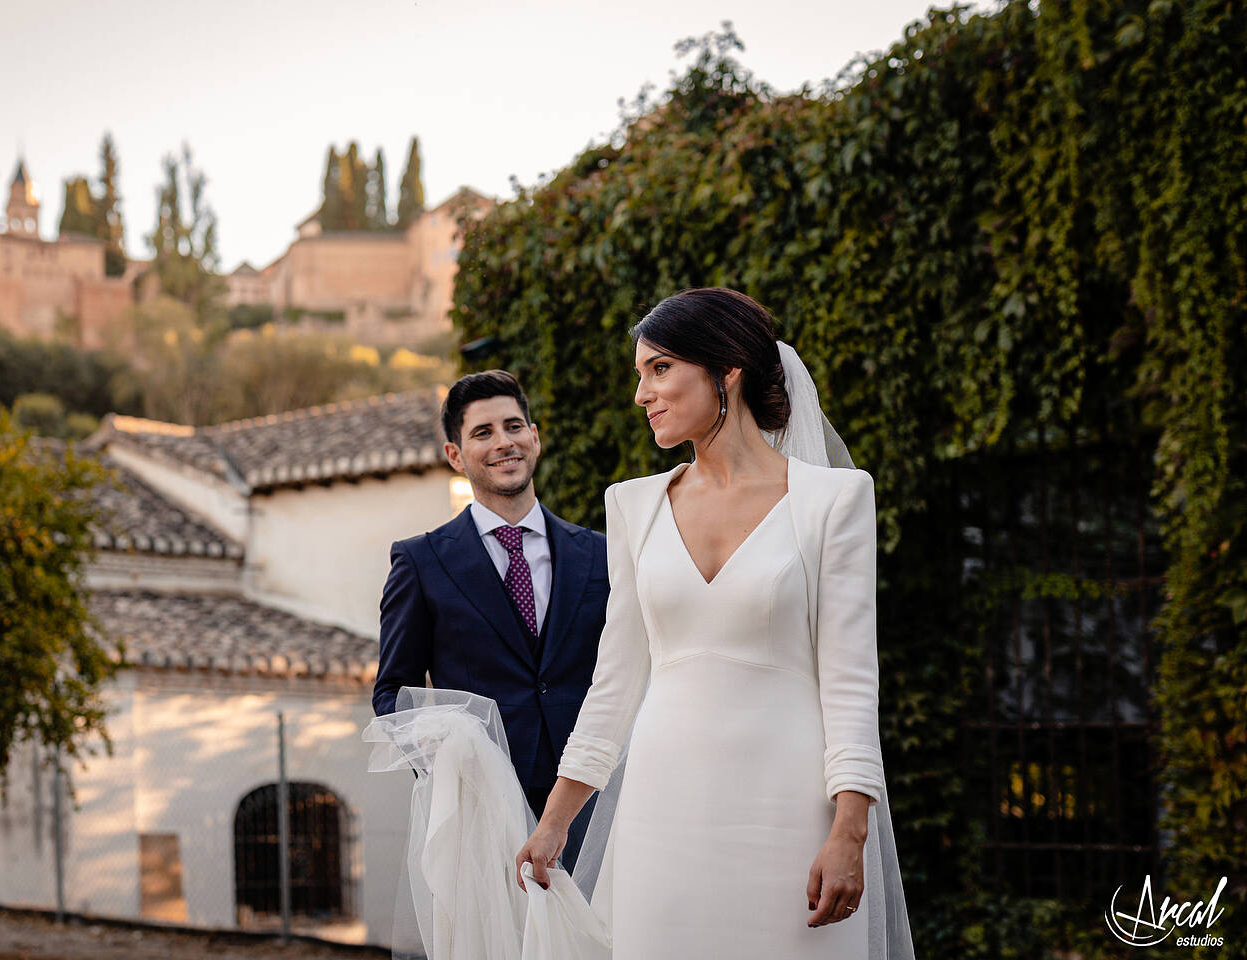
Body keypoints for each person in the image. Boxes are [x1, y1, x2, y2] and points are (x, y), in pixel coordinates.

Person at [511, 288, 914, 959]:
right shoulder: (633, 506)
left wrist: (850, 832)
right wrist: (555, 822)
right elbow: (613, 684)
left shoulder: (835, 500)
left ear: (727, 370)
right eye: (640, 374)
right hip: (661, 808)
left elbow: (850, 680)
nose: (643, 393)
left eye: (661, 368)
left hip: (787, 806)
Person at [374, 370, 606, 873]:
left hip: (592, 805)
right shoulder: (420, 562)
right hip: (482, 811)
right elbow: (393, 692)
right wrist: (446, 760)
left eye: (513, 426)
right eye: (483, 433)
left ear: (535, 437)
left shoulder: (601, 554)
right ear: (455, 455)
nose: (504, 443)